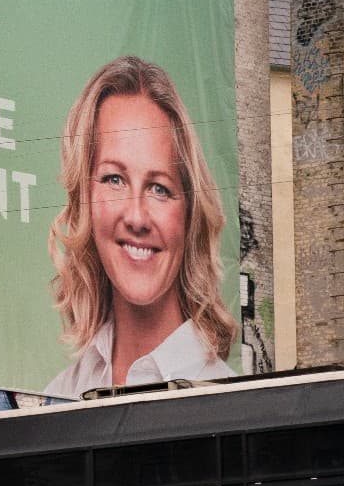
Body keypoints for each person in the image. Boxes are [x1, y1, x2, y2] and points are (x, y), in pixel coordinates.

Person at [43, 56, 236, 398]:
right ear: (84, 199)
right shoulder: (57, 400)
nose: (136, 216)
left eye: (159, 188)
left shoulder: (231, 404)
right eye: (114, 179)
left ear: (189, 212)